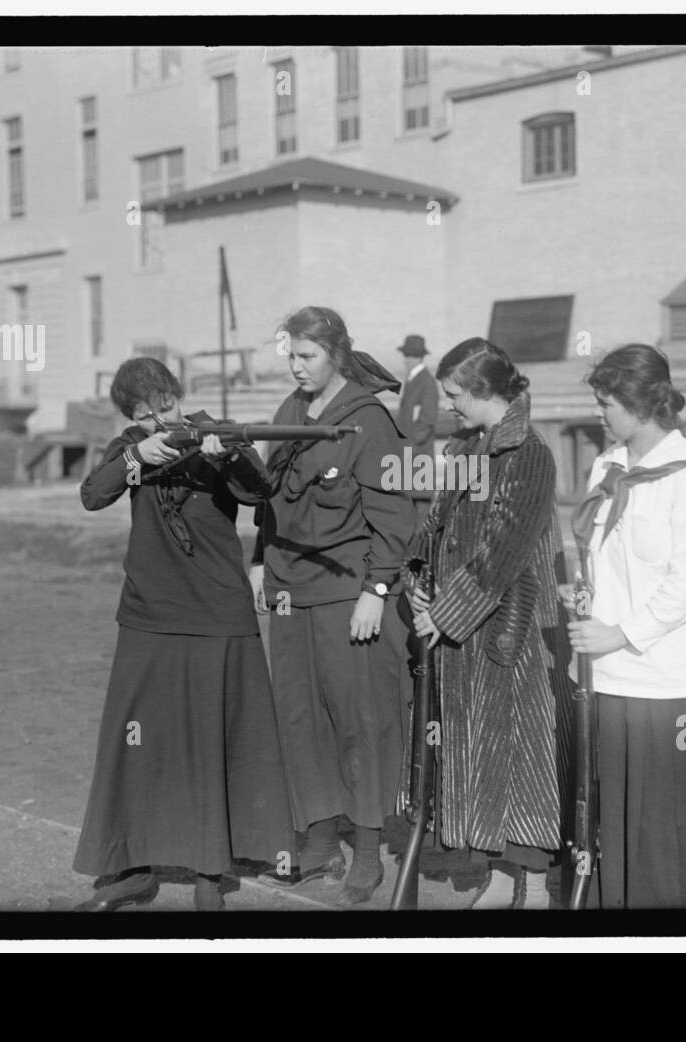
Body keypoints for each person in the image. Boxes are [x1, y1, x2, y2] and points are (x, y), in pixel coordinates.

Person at [73, 357, 295, 912]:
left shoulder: (214, 432)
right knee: (136, 741)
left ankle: (210, 869)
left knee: (212, 739)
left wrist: (232, 454)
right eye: (146, 416)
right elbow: (92, 495)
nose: (161, 420)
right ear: (132, 417)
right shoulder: (132, 445)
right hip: (149, 612)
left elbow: (259, 491)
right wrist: (135, 456)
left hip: (217, 609)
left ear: (180, 395)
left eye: (167, 407)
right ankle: (131, 865)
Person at [252, 306, 417, 906]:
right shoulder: (290, 412)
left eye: (308, 357)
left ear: (337, 354)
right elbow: (268, 497)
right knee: (299, 719)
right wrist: (257, 561)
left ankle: (368, 852)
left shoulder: (368, 420)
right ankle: (319, 847)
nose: (297, 368)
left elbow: (395, 515)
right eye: (291, 356)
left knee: (360, 721)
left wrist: (377, 591)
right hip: (290, 591)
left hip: (349, 592)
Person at [408, 337, 572, 910]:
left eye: (454, 394)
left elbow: (501, 551)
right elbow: (436, 530)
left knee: (519, 756)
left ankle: (530, 891)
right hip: (463, 630)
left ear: (482, 392)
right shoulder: (466, 447)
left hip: (511, 631)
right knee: (483, 755)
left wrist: (442, 617)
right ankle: (500, 881)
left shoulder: (527, 453)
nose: (447, 403)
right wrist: (418, 587)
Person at [564, 344, 686, 909]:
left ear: (641, 404)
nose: (599, 414)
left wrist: (619, 633)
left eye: (607, 403)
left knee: (662, 843)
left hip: (669, 686)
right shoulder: (606, 466)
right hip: (607, 678)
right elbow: (595, 560)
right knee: (611, 831)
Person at [396, 334, 441, 514]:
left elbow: (427, 420)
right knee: (407, 504)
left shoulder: (426, 382)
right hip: (410, 453)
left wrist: (410, 447)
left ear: (418, 357)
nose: (406, 360)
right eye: (406, 355)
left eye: (410, 355)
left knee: (420, 508)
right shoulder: (412, 379)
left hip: (418, 454)